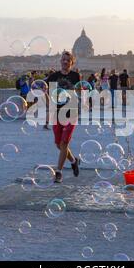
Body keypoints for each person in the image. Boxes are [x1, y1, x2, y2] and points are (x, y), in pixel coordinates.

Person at [46, 51, 81, 184]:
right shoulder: (54, 76)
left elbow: (78, 92)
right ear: (60, 61)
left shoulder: (75, 76)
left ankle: (59, 172)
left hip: (71, 112)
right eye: (63, 60)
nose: (65, 62)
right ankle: (73, 160)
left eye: (68, 60)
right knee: (58, 144)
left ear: (72, 63)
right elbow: (47, 92)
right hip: (57, 113)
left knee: (64, 143)